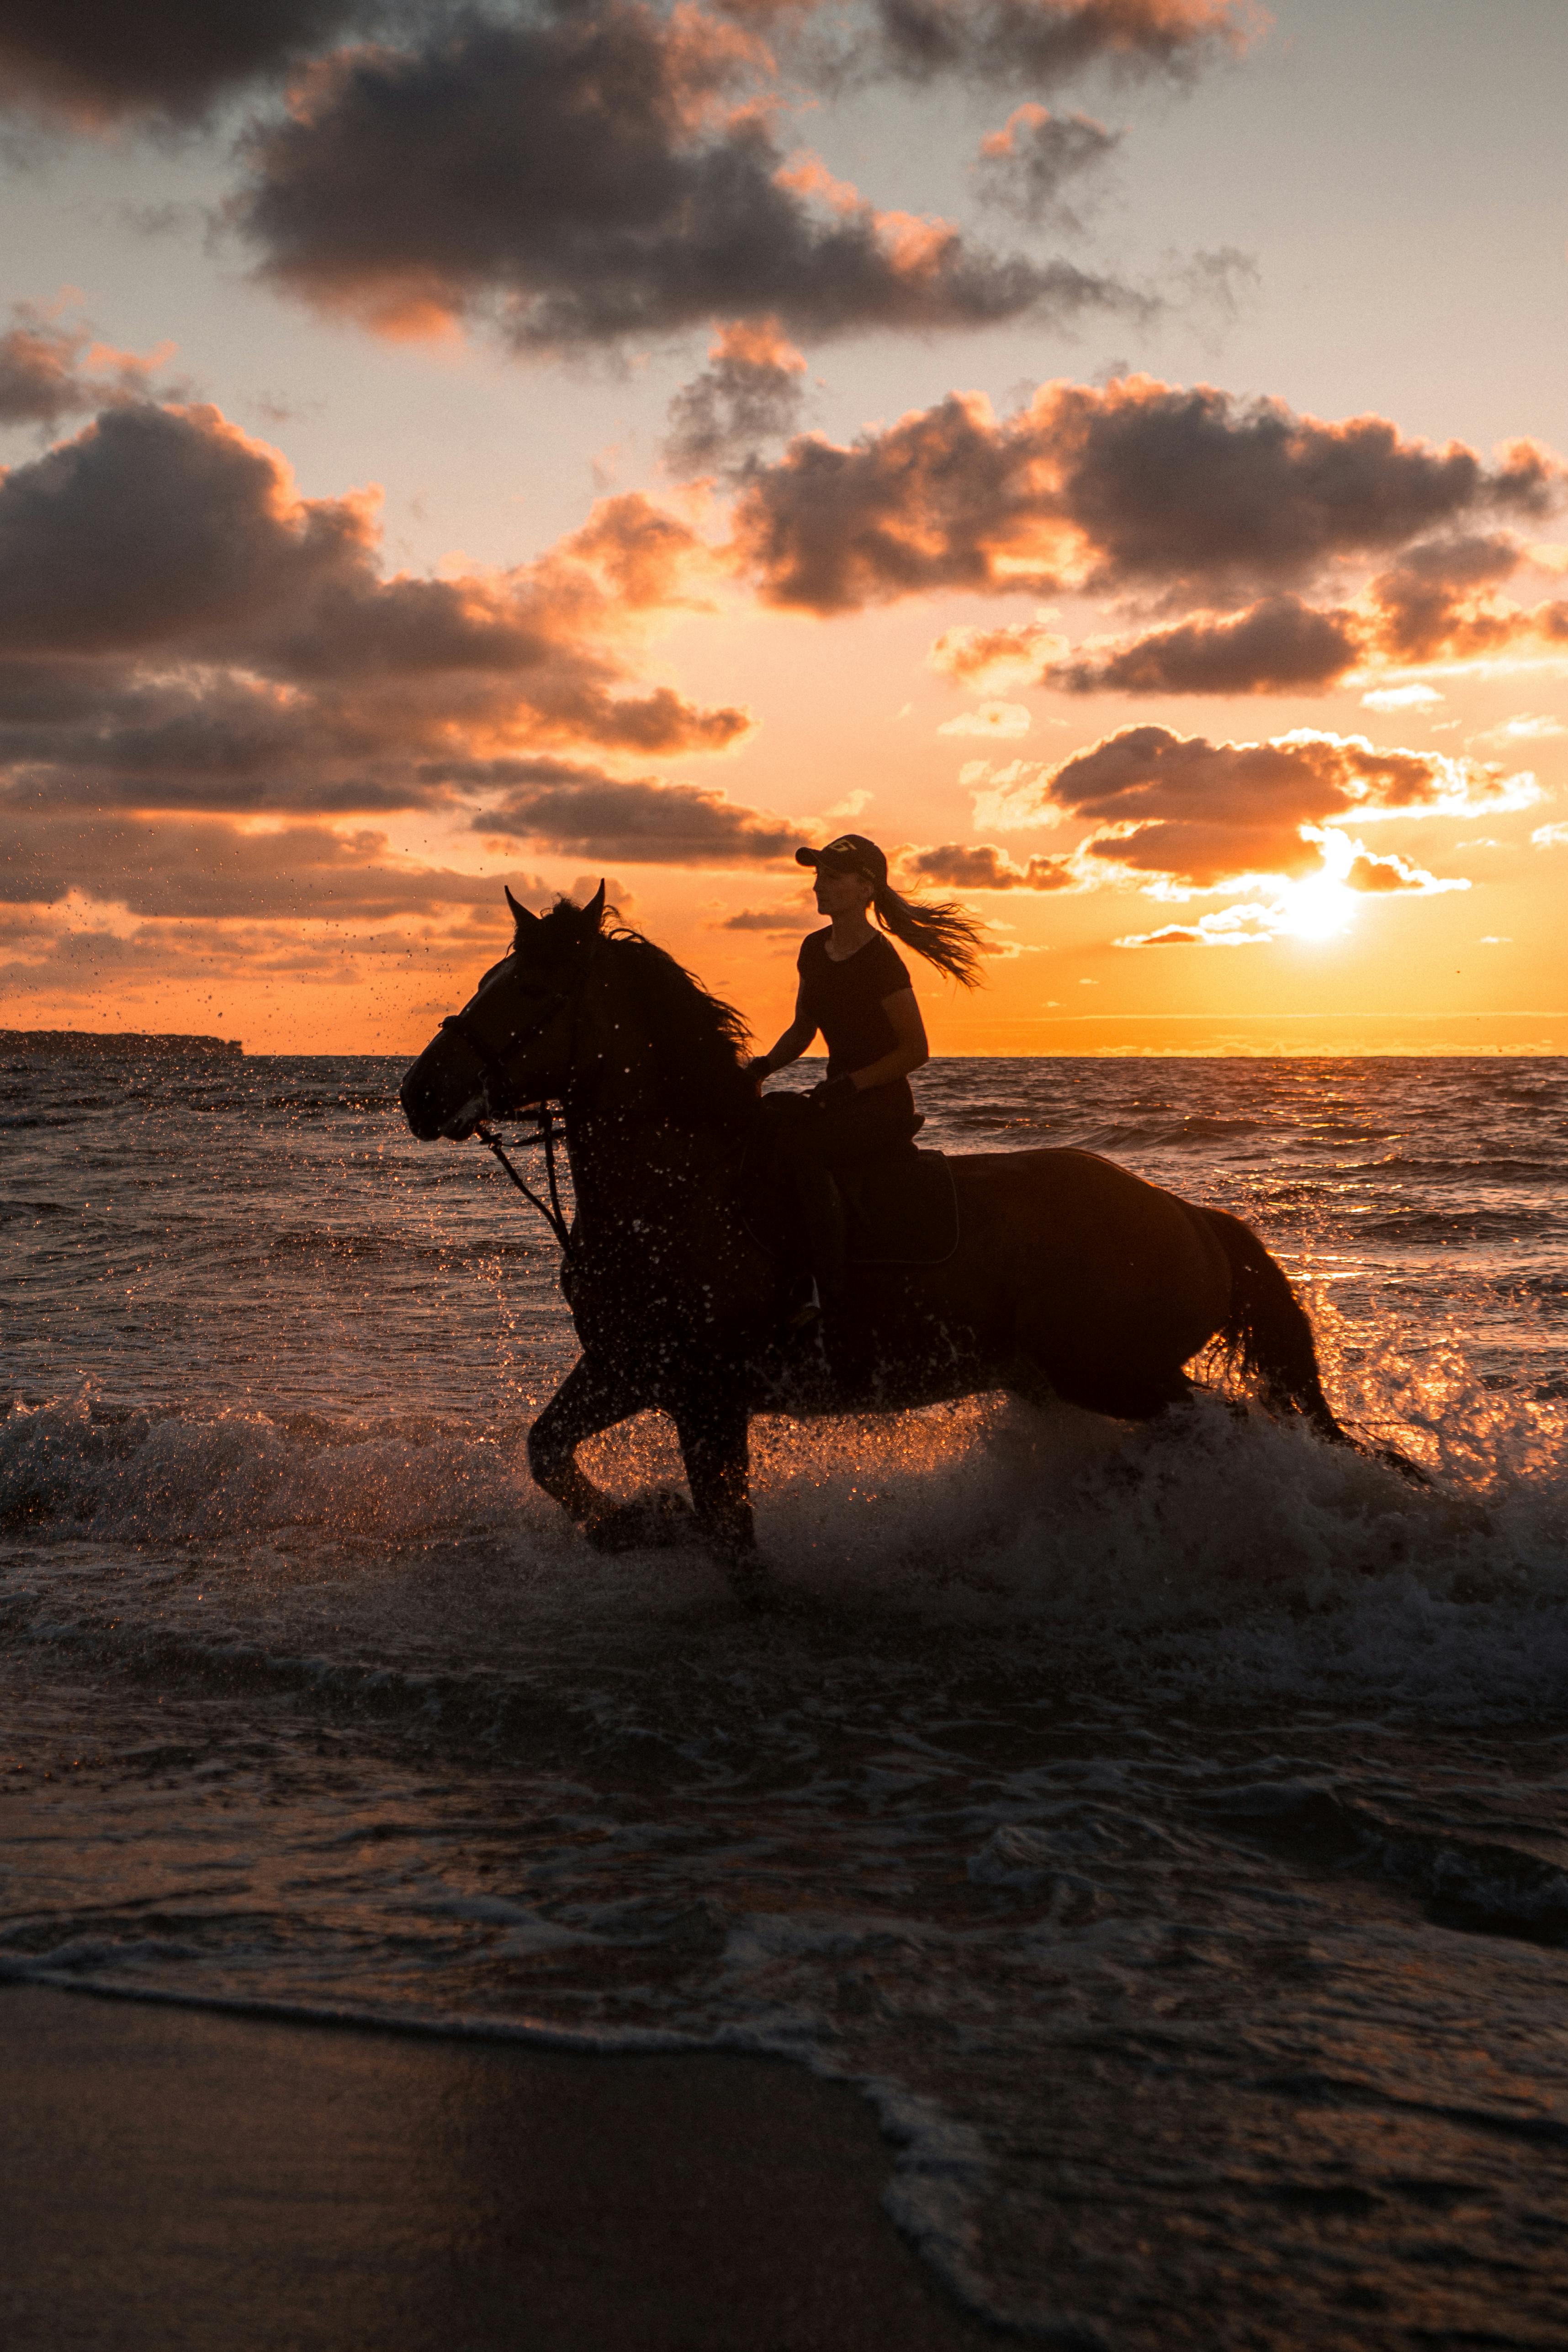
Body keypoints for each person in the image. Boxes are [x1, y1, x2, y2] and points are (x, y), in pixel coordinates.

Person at [748, 834, 984, 1311]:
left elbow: (915, 1049)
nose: (818, 886)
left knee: (802, 1152)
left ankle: (823, 1291)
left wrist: (851, 1084)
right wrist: (760, 1068)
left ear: (865, 888)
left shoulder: (881, 960)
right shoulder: (814, 949)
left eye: (831, 878)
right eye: (818, 876)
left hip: (879, 1103)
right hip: (837, 1096)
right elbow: (802, 1030)